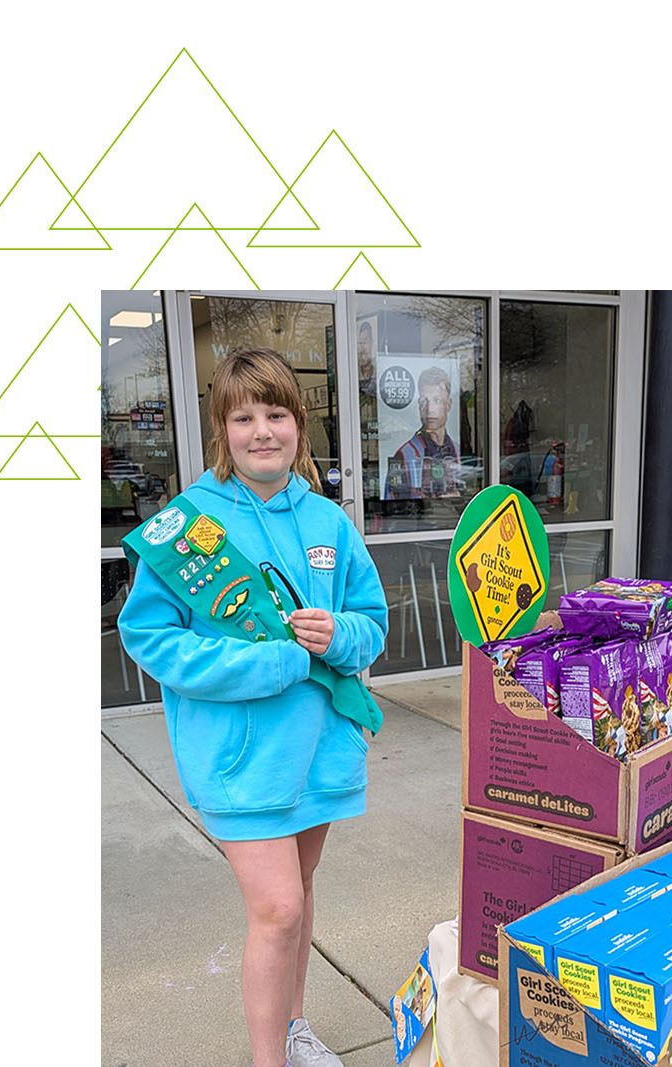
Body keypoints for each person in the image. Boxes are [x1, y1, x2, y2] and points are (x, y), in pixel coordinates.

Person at [119, 347, 388, 1067]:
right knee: (278, 909)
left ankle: (295, 1028)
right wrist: (267, 662)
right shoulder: (188, 525)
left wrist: (341, 634)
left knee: (298, 892)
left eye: (276, 413)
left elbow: (372, 619)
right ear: (222, 429)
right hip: (239, 761)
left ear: (300, 424)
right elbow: (148, 633)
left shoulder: (330, 521)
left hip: (320, 751)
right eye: (244, 416)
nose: (262, 430)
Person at [386, 365, 461, 500]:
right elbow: (393, 508)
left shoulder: (459, 452)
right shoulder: (404, 455)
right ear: (419, 406)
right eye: (424, 401)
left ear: (448, 405)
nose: (429, 409)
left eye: (436, 400)